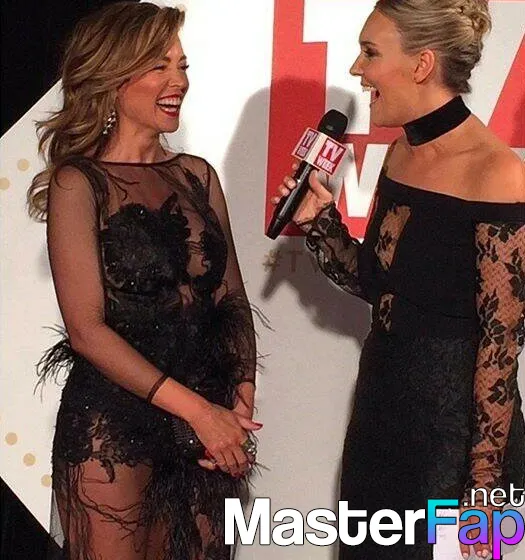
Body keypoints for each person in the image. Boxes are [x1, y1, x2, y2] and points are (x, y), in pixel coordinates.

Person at [272, 1, 524, 558]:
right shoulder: (401, 154)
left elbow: (501, 344)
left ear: (421, 63)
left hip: (459, 443)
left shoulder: (498, 173)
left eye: (370, 53)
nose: (356, 70)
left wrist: (485, 489)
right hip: (381, 414)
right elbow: (378, 285)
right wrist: (319, 221)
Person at [27, 3, 262, 559]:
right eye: (160, 66)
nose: (179, 81)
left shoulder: (197, 176)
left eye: (183, 66)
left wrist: (237, 405)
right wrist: (200, 412)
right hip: (113, 426)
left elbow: (232, 301)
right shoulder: (78, 182)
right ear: (113, 77)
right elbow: (86, 331)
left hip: (207, 425)